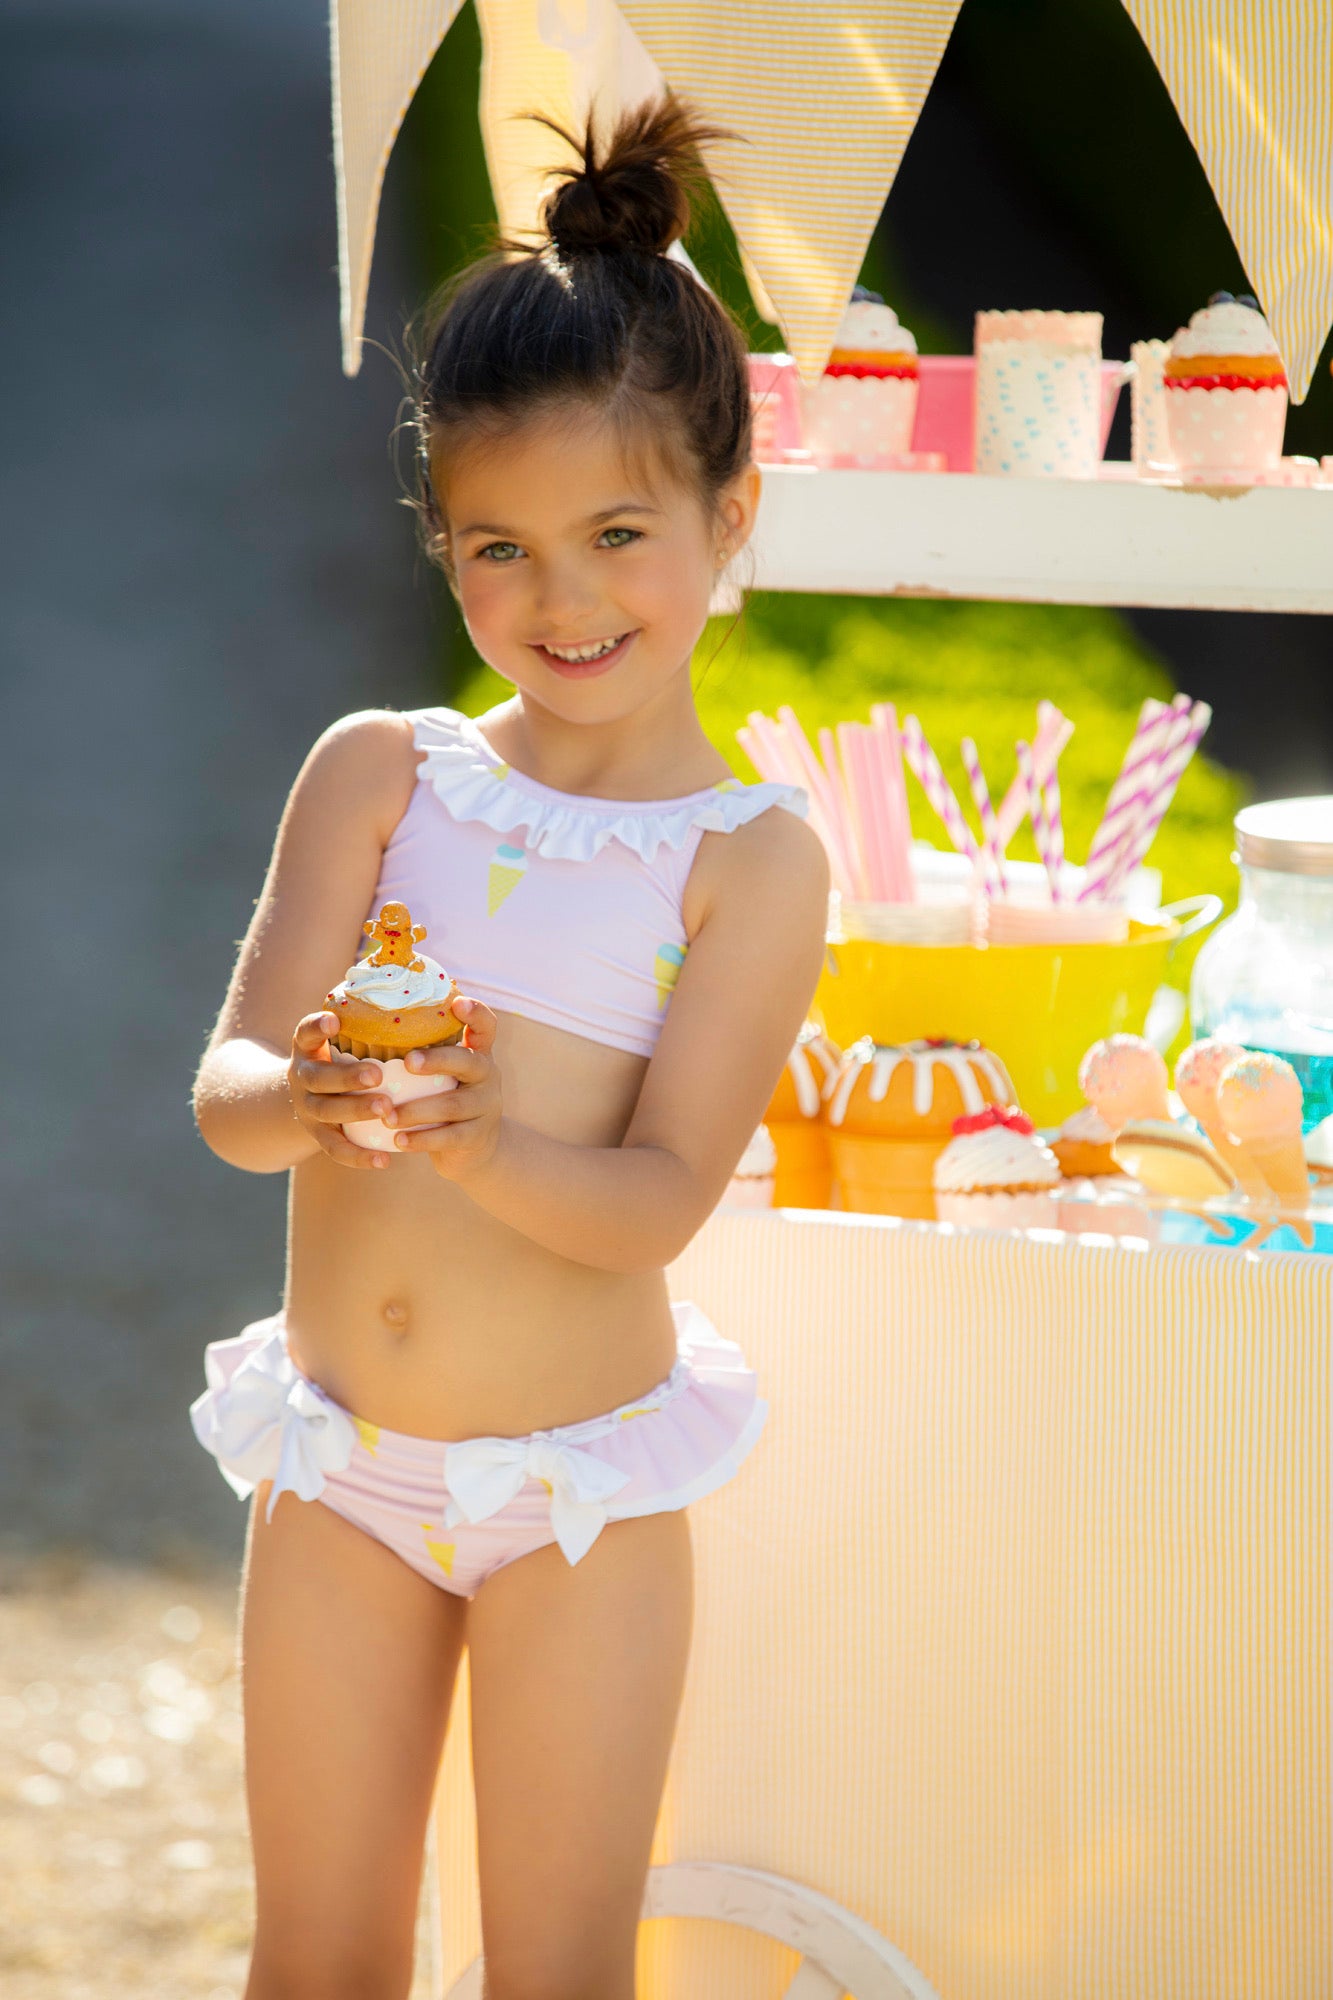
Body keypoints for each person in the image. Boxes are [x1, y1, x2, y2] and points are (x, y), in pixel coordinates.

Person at [191, 98, 828, 2000]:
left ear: (731, 520)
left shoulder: (748, 863)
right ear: (443, 546)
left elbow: (652, 1207)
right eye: (501, 548)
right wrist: (299, 1094)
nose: (562, 601)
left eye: (618, 535)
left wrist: (475, 1151)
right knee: (317, 1957)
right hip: (341, 1473)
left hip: (579, 1501)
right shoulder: (385, 776)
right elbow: (227, 1100)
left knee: (556, 1965)